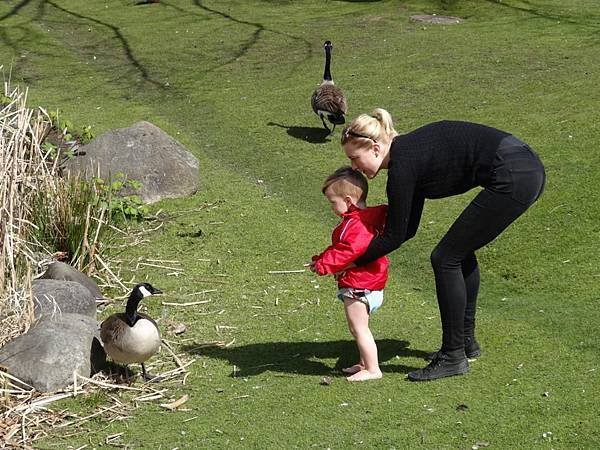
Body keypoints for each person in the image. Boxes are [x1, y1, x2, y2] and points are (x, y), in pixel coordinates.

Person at [340, 109, 546, 381]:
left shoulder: (403, 164)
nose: (355, 167)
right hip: (523, 167)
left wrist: (348, 260)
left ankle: (453, 355)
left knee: (446, 258)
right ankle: (465, 344)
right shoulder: (406, 157)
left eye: (355, 158)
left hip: (515, 173)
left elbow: (394, 235)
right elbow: (406, 230)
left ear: (375, 148)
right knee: (457, 253)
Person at [309, 167, 389, 382]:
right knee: (360, 327)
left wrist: (324, 265)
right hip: (366, 283)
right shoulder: (363, 220)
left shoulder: (356, 224)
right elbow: (342, 249)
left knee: (358, 328)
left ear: (348, 199)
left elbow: (349, 250)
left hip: (359, 285)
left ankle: (373, 369)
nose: (332, 207)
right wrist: (321, 259)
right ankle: (365, 362)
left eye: (333, 202)